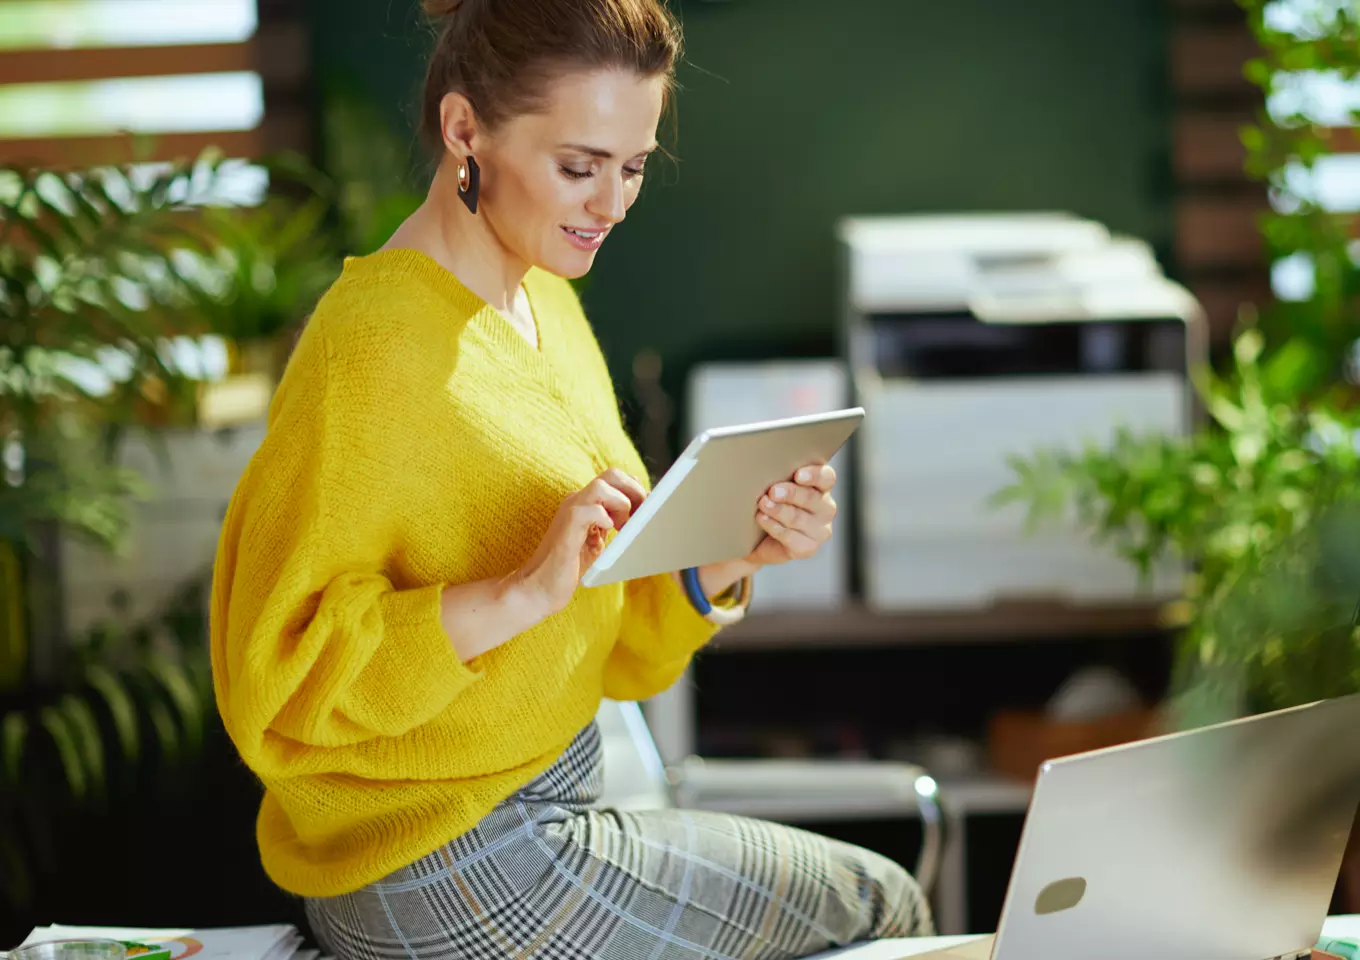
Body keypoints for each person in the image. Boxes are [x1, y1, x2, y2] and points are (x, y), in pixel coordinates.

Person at [207, 0, 935, 957]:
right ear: (466, 129)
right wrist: (518, 592)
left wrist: (723, 556)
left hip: (552, 808)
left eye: (632, 168)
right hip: (440, 856)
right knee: (884, 905)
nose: (613, 204)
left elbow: (620, 643)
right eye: (579, 167)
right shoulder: (370, 350)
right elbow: (280, 681)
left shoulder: (543, 296)